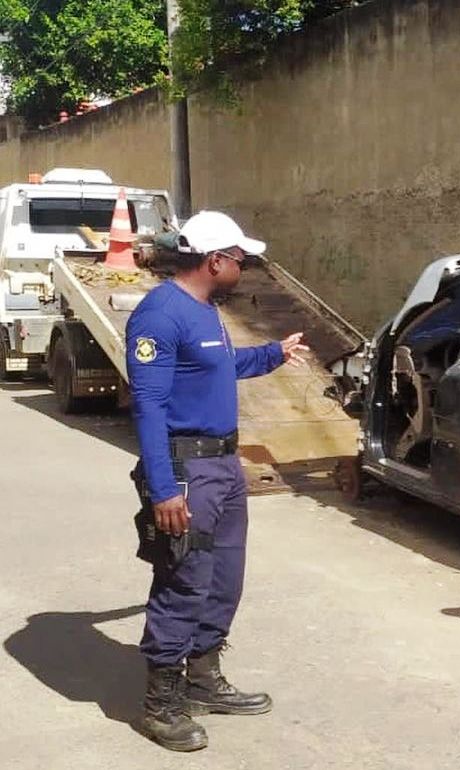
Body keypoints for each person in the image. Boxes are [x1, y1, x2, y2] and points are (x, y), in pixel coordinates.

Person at [126, 211, 308, 751]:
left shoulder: (205, 312)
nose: (245, 266)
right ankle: (161, 705)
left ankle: (203, 681)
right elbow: (151, 406)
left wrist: (274, 353)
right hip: (187, 470)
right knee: (183, 581)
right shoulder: (160, 316)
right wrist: (163, 488)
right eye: (239, 259)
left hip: (224, 468)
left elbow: (221, 366)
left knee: (223, 579)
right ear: (214, 261)